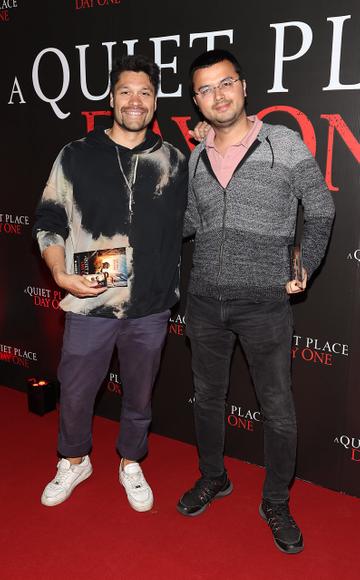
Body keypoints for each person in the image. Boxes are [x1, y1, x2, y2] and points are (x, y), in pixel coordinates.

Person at [177, 49, 335, 554]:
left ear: (243, 86)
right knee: (207, 399)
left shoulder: (282, 142)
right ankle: (214, 477)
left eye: (224, 84)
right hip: (203, 301)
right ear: (197, 102)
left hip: (264, 303)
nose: (216, 96)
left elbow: (322, 207)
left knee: (278, 408)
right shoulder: (196, 156)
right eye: (204, 89)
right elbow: (188, 224)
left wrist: (303, 265)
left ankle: (275, 501)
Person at [33, 54, 188, 512]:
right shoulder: (76, 155)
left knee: (140, 393)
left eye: (144, 92)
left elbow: (193, 221)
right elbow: (49, 217)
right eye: (125, 91)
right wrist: (60, 274)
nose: (134, 101)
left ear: (155, 101)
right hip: (89, 302)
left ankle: (131, 461)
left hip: (151, 306)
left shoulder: (175, 161)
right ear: (112, 98)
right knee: (77, 391)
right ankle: (75, 458)